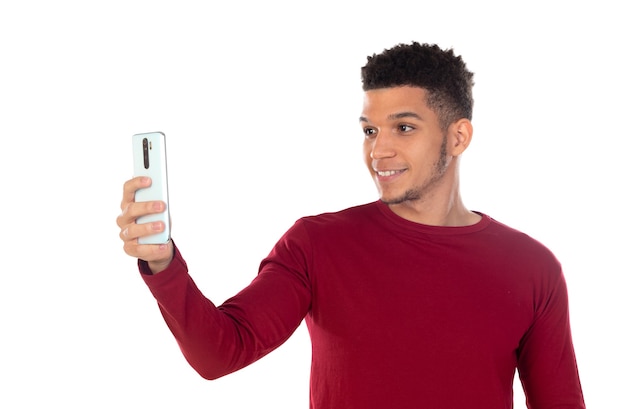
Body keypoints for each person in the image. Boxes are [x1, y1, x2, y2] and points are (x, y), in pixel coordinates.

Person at [117, 42, 585, 408]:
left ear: (457, 135)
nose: (378, 150)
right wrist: (163, 264)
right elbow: (220, 352)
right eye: (369, 130)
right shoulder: (317, 244)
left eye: (403, 128)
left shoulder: (532, 268)